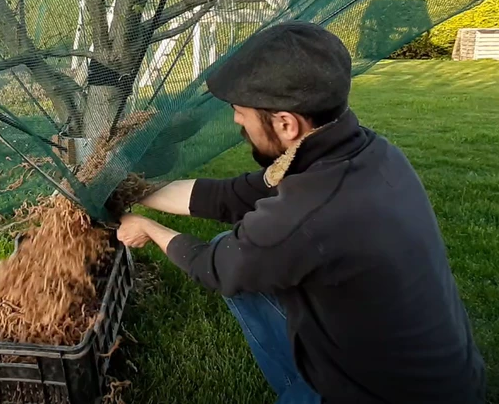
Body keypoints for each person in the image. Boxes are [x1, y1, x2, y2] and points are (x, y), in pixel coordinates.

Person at [116, 21, 486, 404]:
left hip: (386, 396)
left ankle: (305, 391)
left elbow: (216, 267)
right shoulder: (364, 153)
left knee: (233, 254)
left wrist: (148, 228)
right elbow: (232, 195)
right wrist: (134, 192)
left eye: (241, 112)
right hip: (443, 376)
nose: (237, 121)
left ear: (286, 123)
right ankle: (301, 382)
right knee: (236, 245)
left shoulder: (310, 213)